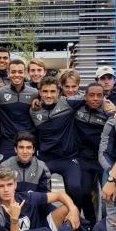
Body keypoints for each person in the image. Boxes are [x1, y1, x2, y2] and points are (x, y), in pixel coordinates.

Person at [30, 76, 85, 209]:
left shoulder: (68, 103)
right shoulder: (33, 110)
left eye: (52, 91)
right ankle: (44, 220)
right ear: (40, 92)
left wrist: (113, 108)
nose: (49, 95)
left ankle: (75, 219)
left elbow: (93, 96)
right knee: (38, 190)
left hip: (69, 158)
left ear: (58, 92)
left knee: (75, 188)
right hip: (46, 158)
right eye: (45, 91)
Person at [74, 82, 112, 221]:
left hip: (104, 160)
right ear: (85, 96)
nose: (95, 98)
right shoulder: (77, 109)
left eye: (99, 95)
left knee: (109, 196)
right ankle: (91, 224)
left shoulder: (109, 113)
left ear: (104, 97)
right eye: (91, 95)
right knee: (84, 193)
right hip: (84, 159)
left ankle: (108, 228)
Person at [0, 59, 38, 161]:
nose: (16, 75)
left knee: (29, 174)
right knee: (4, 174)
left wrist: (38, 101)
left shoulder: (34, 93)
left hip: (28, 141)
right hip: (8, 141)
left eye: (20, 72)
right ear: (8, 73)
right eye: (13, 72)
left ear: (25, 73)